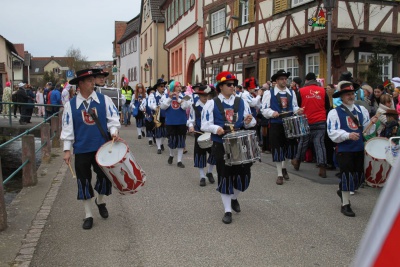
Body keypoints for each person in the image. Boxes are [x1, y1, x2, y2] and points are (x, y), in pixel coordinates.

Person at [60, 69, 121, 230]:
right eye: (88, 81)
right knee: (83, 181)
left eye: (93, 80)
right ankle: (88, 215)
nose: (93, 82)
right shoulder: (70, 105)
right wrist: (67, 150)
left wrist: (114, 132)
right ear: (80, 84)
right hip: (81, 148)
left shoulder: (104, 100)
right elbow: (67, 129)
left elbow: (113, 120)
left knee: (105, 178)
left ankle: (100, 200)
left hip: (102, 148)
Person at [201, 71, 256, 224]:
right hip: (221, 144)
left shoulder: (241, 101)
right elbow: (204, 124)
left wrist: (249, 121)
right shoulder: (212, 103)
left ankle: (234, 198)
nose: (233, 87)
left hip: (240, 143)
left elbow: (250, 123)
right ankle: (227, 211)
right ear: (221, 86)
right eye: (229, 84)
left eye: (234, 84)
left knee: (244, 176)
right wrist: (215, 128)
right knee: (225, 175)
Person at [327, 81, 377, 217]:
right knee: (347, 176)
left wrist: (373, 122)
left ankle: (342, 189)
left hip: (359, 148)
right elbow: (332, 132)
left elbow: (367, 129)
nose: (351, 96)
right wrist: (347, 135)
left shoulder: (362, 110)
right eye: (348, 94)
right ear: (341, 97)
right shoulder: (334, 113)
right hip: (344, 149)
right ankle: (345, 204)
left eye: (352, 94)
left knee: (359, 177)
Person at [261, 69, 303, 185]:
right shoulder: (269, 93)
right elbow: (264, 109)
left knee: (290, 148)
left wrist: (298, 110)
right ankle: (279, 174)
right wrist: (272, 113)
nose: (284, 81)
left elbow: (294, 107)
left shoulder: (291, 92)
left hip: (289, 123)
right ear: (276, 81)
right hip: (276, 124)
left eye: (285, 79)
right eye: (282, 79)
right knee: (278, 148)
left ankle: (284, 167)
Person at [291, 72, 330, 178]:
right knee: (320, 143)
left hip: (305, 120)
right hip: (320, 120)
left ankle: (297, 161)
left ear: (306, 80)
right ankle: (322, 166)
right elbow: (327, 106)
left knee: (303, 142)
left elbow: (298, 106)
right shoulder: (322, 91)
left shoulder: (301, 91)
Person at [187, 84, 216, 186]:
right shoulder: (195, 106)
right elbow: (191, 120)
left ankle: (209, 172)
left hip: (212, 134)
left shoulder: (212, 105)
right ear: (199, 95)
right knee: (200, 155)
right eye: (203, 95)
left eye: (207, 95)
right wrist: (191, 126)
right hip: (199, 134)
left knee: (215, 154)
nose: (205, 97)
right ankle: (202, 176)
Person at [160, 80, 190, 168]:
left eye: (180, 86)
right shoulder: (165, 96)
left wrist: (178, 99)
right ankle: (171, 154)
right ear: (173, 87)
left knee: (181, 141)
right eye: (177, 86)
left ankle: (179, 161)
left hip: (181, 122)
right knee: (171, 141)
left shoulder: (184, 96)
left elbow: (185, 107)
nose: (180, 88)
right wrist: (170, 98)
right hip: (170, 122)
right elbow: (163, 107)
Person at [148, 79, 168, 154]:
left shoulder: (166, 95)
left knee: (165, 132)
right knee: (158, 132)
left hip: (165, 115)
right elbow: (150, 104)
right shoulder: (152, 95)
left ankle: (161, 143)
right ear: (157, 87)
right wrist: (155, 108)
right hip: (157, 115)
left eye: (164, 86)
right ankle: (159, 147)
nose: (163, 88)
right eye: (161, 86)